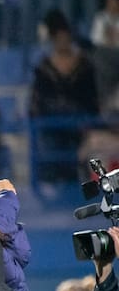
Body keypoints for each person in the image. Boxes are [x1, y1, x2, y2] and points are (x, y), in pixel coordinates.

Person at [31, 18, 99, 185]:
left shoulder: (84, 65)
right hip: (52, 125)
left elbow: (91, 97)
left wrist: (87, 120)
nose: (62, 42)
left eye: (65, 38)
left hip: (79, 123)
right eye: (58, 38)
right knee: (51, 147)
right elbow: (38, 99)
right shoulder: (44, 67)